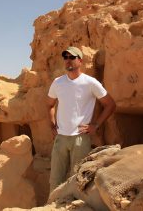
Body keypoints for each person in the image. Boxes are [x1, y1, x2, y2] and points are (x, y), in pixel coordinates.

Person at [47, 46, 116, 192]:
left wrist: (95, 125)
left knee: (76, 180)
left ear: (80, 61)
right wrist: (52, 125)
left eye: (72, 57)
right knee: (55, 179)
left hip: (80, 138)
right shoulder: (58, 82)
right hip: (60, 139)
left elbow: (110, 105)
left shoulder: (90, 83)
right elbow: (50, 105)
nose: (68, 61)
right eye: (65, 57)